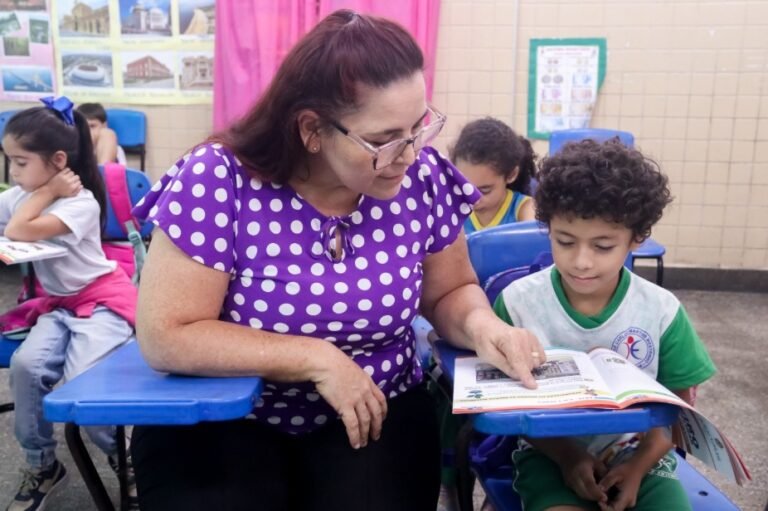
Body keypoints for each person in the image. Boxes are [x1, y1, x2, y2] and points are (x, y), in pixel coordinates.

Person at [130, 9, 544, 511]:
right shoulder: (218, 180)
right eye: (383, 139)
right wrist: (315, 358)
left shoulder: (421, 178)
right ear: (312, 129)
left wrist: (484, 328)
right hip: (228, 417)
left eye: (418, 127)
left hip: (373, 410)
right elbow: (168, 333)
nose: (409, 155)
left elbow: (449, 291)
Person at [494, 139, 717, 511]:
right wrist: (567, 456)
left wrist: (637, 468)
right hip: (547, 453)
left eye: (602, 247)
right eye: (565, 241)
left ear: (636, 239)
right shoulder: (517, 304)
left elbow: (677, 407)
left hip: (641, 454)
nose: (581, 261)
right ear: (548, 229)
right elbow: (503, 403)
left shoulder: (660, 311)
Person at [1, 97, 138, 511]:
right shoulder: (20, 196)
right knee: (26, 367)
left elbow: (21, 227)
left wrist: (48, 192)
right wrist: (38, 189)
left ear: (58, 160)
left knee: (86, 386)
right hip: (58, 306)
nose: (11, 172)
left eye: (20, 163)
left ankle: (126, 458)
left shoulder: (80, 203)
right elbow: (12, 216)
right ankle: (43, 466)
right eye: (8, 161)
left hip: (103, 303)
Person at [450, 117, 537, 233]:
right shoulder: (454, 209)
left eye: (484, 190)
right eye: (464, 188)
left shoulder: (524, 209)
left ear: (511, 175)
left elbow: (533, 237)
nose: (472, 198)